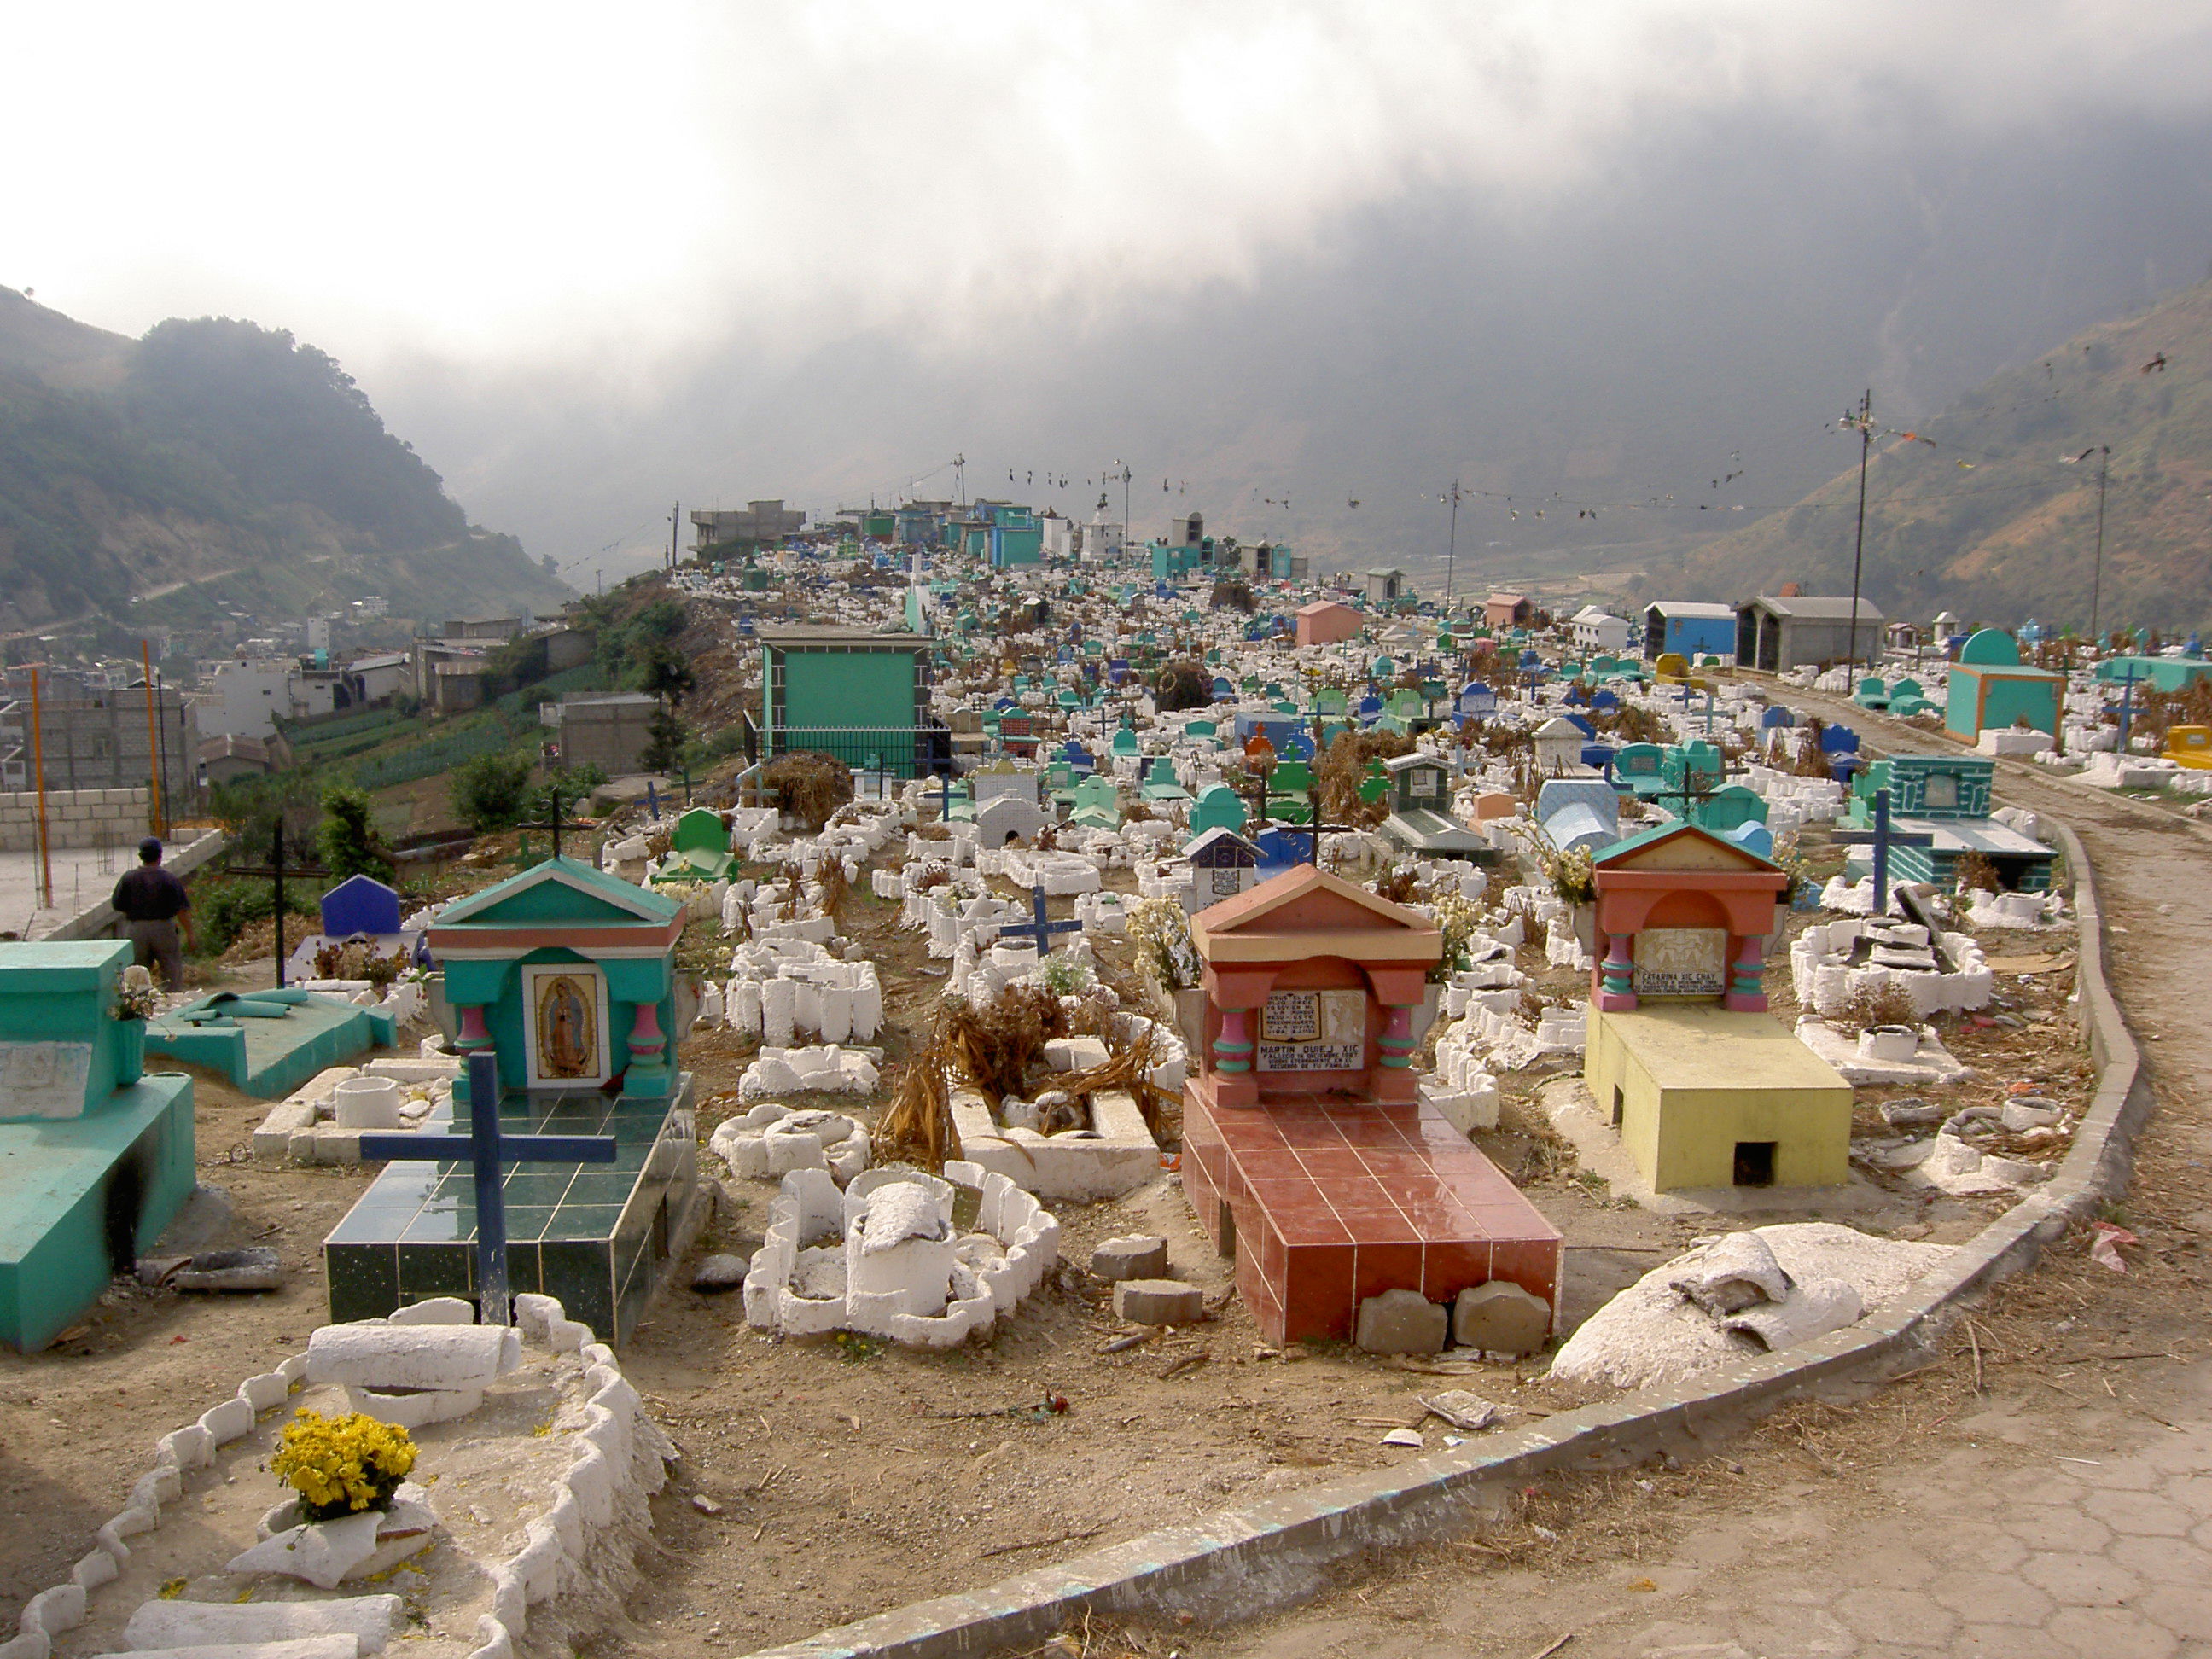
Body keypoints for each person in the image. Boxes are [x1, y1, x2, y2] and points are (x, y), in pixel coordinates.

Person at [112, 837, 195, 992]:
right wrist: (190, 934)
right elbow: (181, 911)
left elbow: (118, 905)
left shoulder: (128, 878)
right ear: (160, 855)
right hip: (163, 929)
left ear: (141, 856)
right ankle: (172, 1005)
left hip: (136, 930)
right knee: (171, 970)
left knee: (136, 974)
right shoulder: (169, 879)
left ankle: (138, 1006)